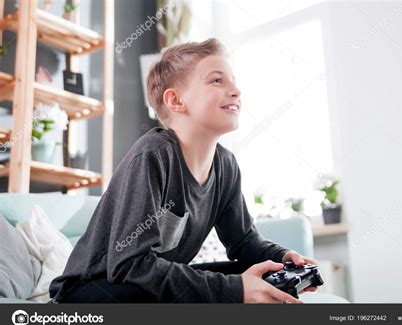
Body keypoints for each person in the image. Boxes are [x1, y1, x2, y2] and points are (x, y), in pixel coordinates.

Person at [49, 38, 319, 304]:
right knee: (235, 288)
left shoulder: (226, 165)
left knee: (262, 278)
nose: (236, 90)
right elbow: (129, 266)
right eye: (217, 80)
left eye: (233, 81)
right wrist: (234, 290)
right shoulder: (154, 155)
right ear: (176, 101)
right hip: (91, 291)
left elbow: (244, 242)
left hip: (144, 282)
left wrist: (282, 259)